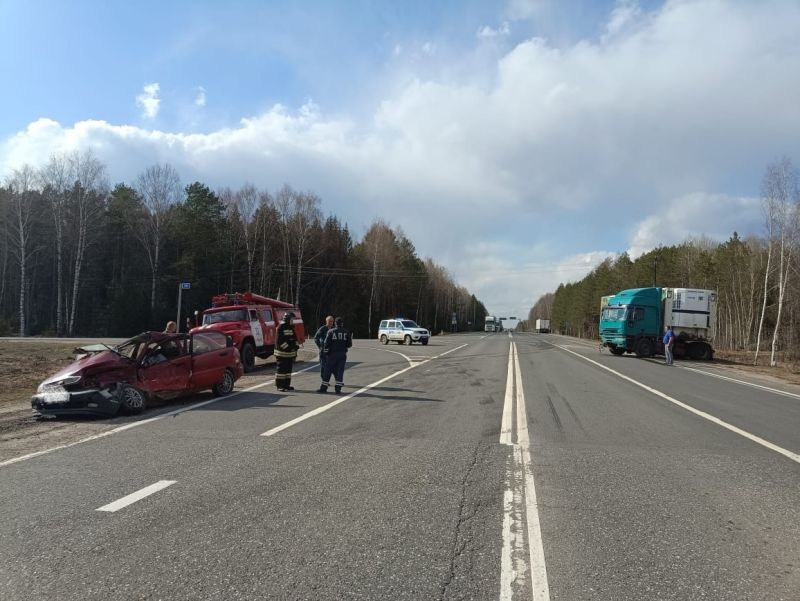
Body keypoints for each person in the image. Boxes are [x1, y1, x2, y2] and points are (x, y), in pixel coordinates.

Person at [319, 317, 352, 394]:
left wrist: (326, 352)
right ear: (342, 323)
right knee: (340, 371)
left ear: (335, 323)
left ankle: (324, 387)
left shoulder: (331, 331)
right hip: (342, 354)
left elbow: (326, 344)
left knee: (327, 370)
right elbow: (349, 344)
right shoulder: (346, 332)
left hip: (332, 355)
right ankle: (338, 388)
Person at [275, 312, 299, 392]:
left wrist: (296, 347)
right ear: (288, 319)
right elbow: (280, 341)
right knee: (281, 370)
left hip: (289, 354)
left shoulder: (291, 328)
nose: (293, 321)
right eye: (292, 319)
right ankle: (280, 386)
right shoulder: (280, 327)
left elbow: (294, 339)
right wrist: (289, 348)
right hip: (282, 353)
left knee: (288, 371)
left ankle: (286, 385)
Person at [314, 315, 335, 386]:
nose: (331, 323)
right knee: (323, 366)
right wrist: (320, 346)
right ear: (326, 321)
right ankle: (324, 380)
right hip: (323, 351)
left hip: (331, 351)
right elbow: (316, 338)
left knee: (331, 366)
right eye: (329, 321)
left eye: (332, 321)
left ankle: (330, 380)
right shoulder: (322, 329)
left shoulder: (334, 329)